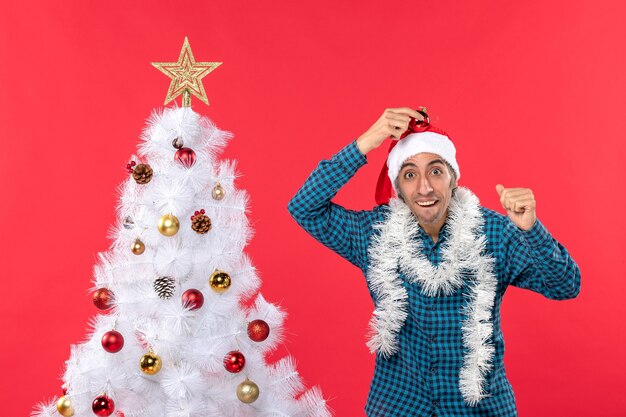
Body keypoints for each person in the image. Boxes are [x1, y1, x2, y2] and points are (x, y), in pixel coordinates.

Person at [287, 107, 581, 417]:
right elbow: (304, 208)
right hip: (400, 406)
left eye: (436, 171)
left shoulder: (494, 233)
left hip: (480, 409)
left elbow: (565, 286)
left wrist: (530, 229)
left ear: (454, 178)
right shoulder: (375, 234)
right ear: (397, 187)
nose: (425, 187)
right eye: (410, 174)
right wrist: (369, 140)